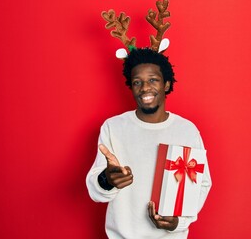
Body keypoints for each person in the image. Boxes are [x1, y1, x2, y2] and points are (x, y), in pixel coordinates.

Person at [86, 48, 212, 239]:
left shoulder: (187, 130)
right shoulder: (113, 127)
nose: (145, 88)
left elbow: (202, 184)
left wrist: (179, 222)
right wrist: (107, 180)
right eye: (137, 82)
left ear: (167, 85)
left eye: (153, 79)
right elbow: (95, 190)